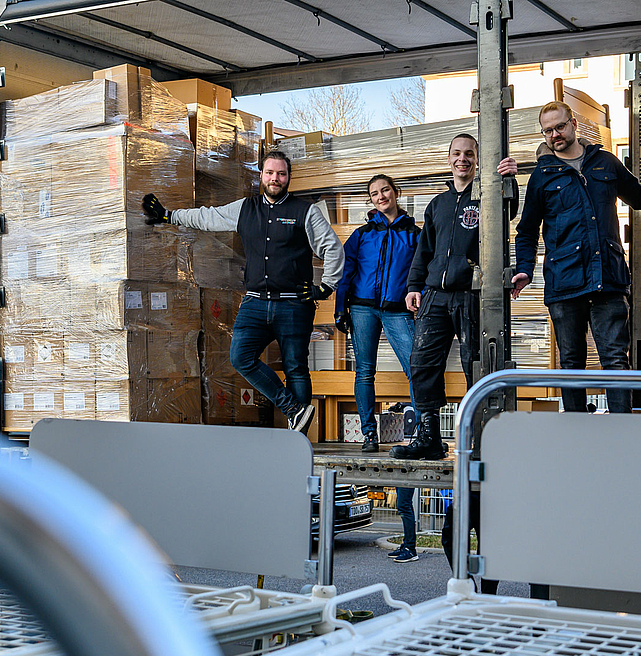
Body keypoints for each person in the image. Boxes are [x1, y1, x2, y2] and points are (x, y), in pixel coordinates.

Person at [141, 150, 344, 433]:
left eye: (281, 174)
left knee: (296, 368)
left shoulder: (304, 211)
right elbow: (208, 218)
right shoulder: (245, 209)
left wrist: (327, 286)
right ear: (261, 175)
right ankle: (294, 409)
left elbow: (333, 248)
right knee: (240, 357)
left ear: (288, 178)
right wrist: (168, 215)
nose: (275, 178)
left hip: (294, 305)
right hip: (255, 303)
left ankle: (297, 438)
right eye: (270, 173)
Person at [512, 101, 641, 413]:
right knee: (572, 363)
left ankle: (622, 432)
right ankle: (575, 434)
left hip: (608, 278)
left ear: (574, 124)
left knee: (616, 358)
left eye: (559, 127)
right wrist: (524, 269)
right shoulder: (542, 176)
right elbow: (526, 231)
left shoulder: (605, 162)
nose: (554, 134)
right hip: (565, 282)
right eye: (547, 131)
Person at [390, 134, 517, 461]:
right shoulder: (438, 204)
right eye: (457, 154)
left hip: (470, 295)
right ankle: (429, 437)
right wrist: (414, 286)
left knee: (474, 364)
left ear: (477, 160)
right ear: (449, 159)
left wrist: (510, 181)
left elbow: (509, 212)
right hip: (434, 295)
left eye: (469, 154)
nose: (463, 159)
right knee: (421, 364)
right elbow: (424, 250)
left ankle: (481, 441)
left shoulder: (485, 197)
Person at [334, 174, 422, 563]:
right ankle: (369, 434)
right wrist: (341, 308)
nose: (381, 197)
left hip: (399, 307)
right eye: (373, 193)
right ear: (369, 199)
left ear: (396, 193)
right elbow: (347, 269)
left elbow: (420, 271)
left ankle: (418, 432)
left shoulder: (413, 233)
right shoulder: (361, 234)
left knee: (416, 369)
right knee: (364, 371)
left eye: (386, 191)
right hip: (364, 306)